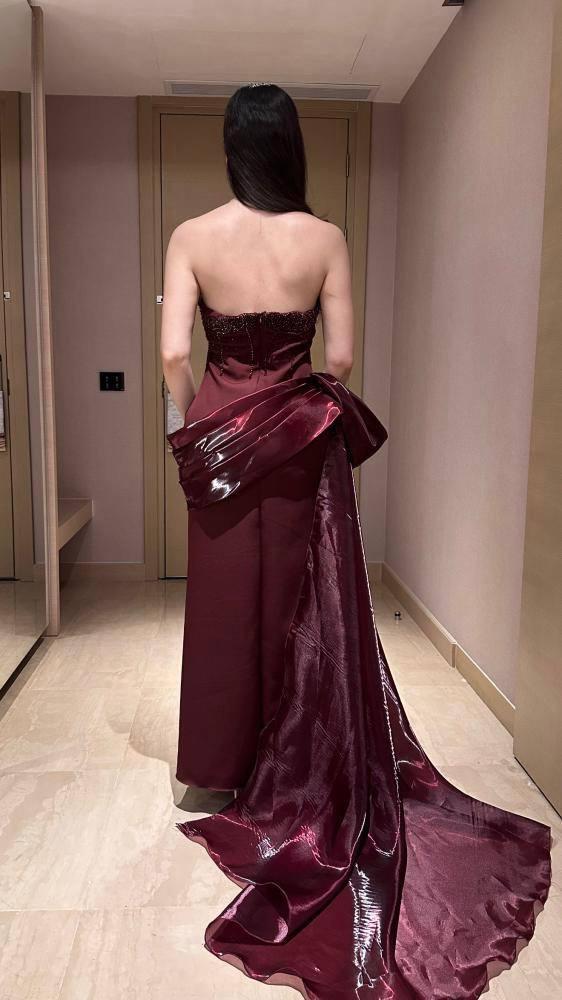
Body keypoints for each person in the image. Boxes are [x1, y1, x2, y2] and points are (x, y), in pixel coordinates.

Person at [161, 84, 551, 1000]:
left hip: (221, 434)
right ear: (289, 147)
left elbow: (175, 353)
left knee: (226, 600)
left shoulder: (191, 235)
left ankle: (221, 769)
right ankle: (294, 755)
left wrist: (200, 423)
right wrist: (290, 394)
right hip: (299, 434)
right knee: (304, 598)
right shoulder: (326, 237)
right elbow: (338, 359)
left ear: (232, 149)